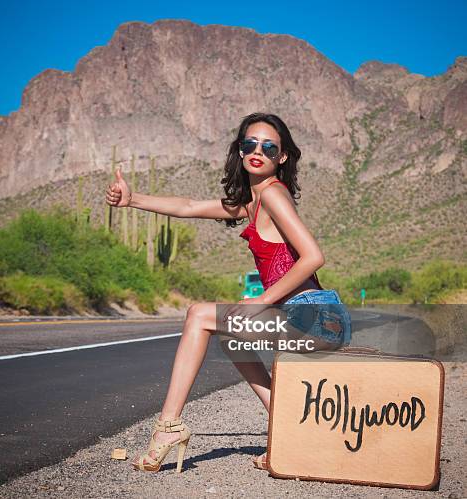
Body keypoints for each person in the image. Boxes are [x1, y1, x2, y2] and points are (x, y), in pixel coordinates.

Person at [105, 112, 351, 473]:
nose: (258, 151)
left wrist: (262, 301)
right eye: (249, 143)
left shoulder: (273, 195)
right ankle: (285, 426)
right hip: (311, 314)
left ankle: (168, 427)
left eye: (269, 147)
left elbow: (313, 256)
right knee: (230, 335)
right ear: (239, 149)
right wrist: (133, 199)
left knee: (200, 314)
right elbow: (188, 207)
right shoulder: (249, 202)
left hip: (315, 315)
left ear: (282, 157)